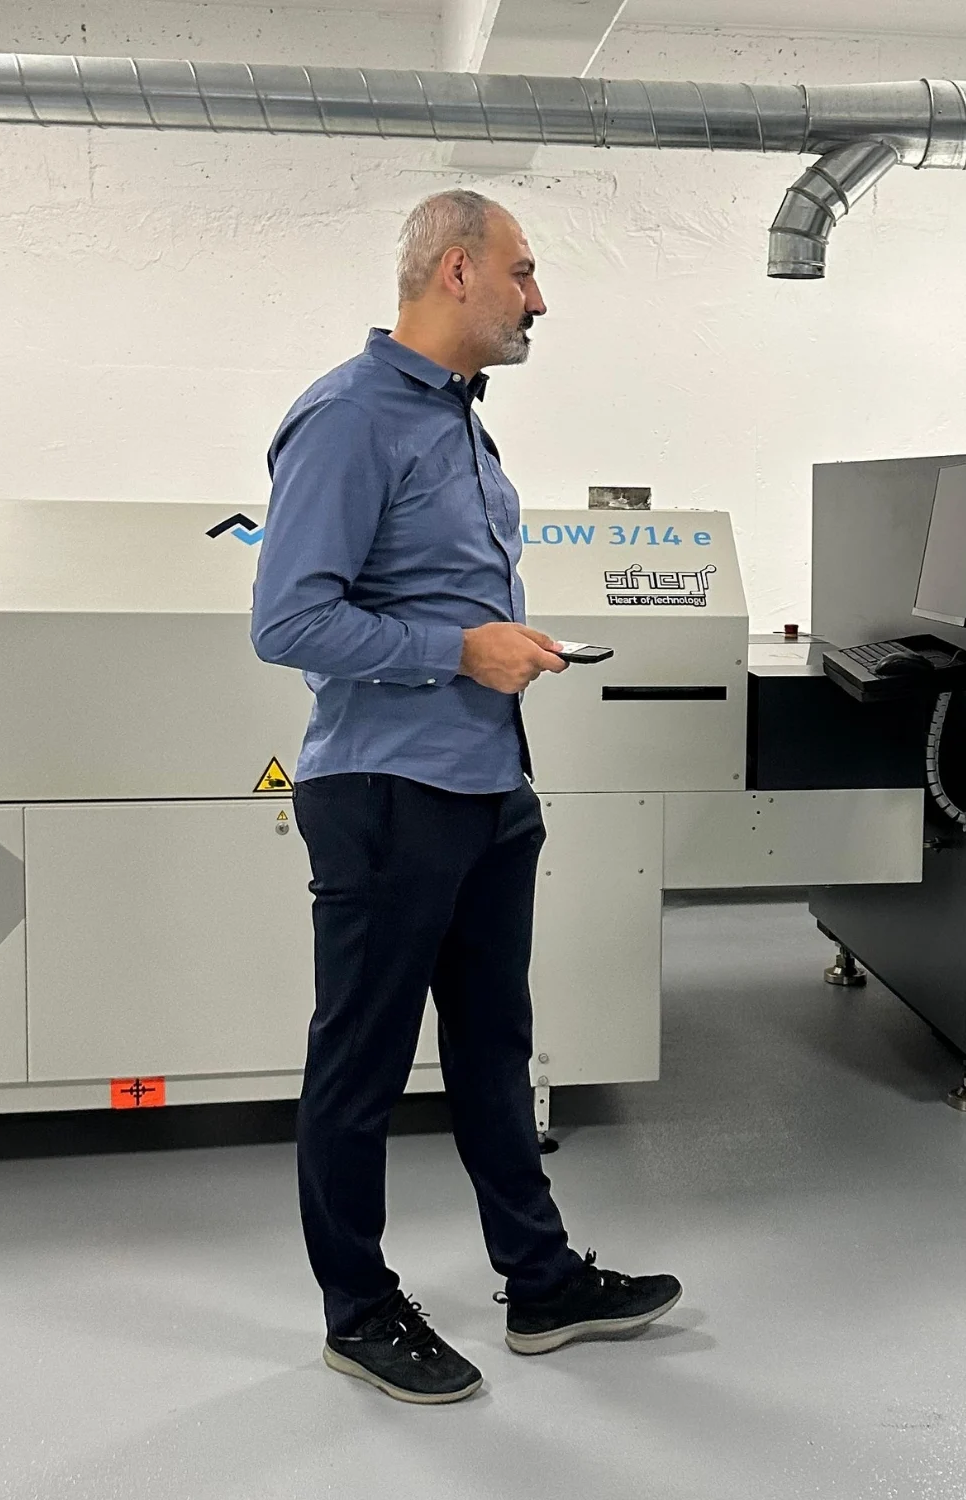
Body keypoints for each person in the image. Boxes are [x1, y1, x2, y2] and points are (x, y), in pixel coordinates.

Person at [251, 189, 680, 1406]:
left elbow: (436, 598)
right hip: (387, 793)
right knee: (361, 1063)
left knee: (494, 1052)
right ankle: (357, 1310)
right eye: (523, 272)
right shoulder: (349, 416)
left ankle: (539, 1281)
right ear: (455, 271)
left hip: (489, 785)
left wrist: (498, 649)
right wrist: (458, 651)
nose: (538, 298)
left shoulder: (457, 420)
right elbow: (287, 621)